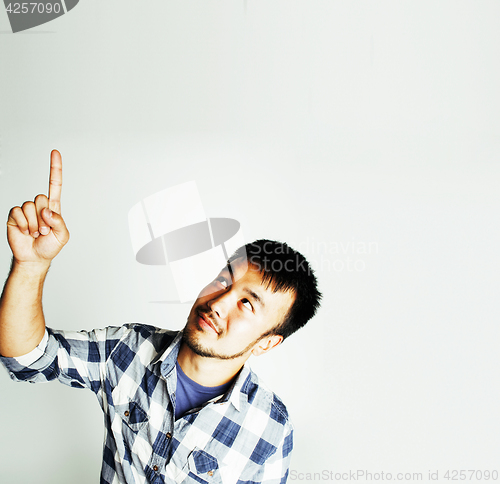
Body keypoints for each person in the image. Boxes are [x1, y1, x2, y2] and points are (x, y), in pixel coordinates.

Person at [0, 150, 322, 484]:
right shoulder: (125, 349)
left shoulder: (269, 429)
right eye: (224, 280)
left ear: (268, 343)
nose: (219, 302)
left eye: (247, 304)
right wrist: (31, 265)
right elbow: (26, 359)